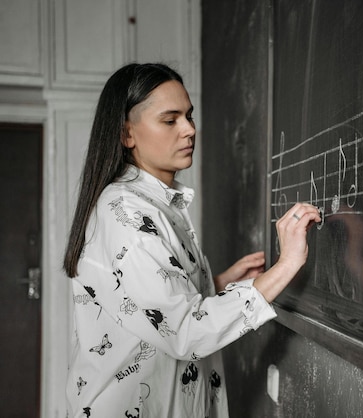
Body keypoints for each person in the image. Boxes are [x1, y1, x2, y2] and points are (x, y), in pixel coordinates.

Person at [63, 63, 321, 418]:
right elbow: (185, 332)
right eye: (170, 120)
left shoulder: (156, 203)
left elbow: (147, 301)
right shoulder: (126, 215)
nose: (189, 130)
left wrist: (214, 285)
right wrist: (288, 263)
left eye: (189, 116)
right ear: (127, 134)